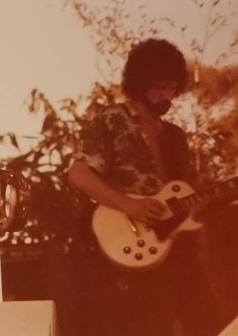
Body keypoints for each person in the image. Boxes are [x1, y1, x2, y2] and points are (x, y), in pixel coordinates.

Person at [67, 38, 226, 336]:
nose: (168, 95)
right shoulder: (112, 120)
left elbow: (187, 194)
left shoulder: (175, 135)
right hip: (135, 248)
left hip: (180, 247)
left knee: (211, 325)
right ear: (139, 83)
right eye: (159, 87)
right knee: (150, 326)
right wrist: (131, 205)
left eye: (172, 87)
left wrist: (213, 192)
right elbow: (79, 174)